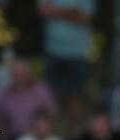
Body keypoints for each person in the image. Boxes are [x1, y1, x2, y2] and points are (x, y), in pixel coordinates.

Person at [39, 0, 94, 132]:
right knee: (49, 98)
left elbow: (84, 18)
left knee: (75, 97)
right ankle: (50, 135)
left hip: (78, 52)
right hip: (53, 50)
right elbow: (44, 11)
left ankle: (72, 137)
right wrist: (71, 12)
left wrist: (55, 11)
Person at [0, 59, 57, 140]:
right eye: (16, 74)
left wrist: (40, 132)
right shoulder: (5, 96)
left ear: (29, 73)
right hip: (14, 139)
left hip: (39, 137)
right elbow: (0, 124)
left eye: (22, 73)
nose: (19, 76)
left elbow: (52, 115)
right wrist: (2, 136)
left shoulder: (41, 91)